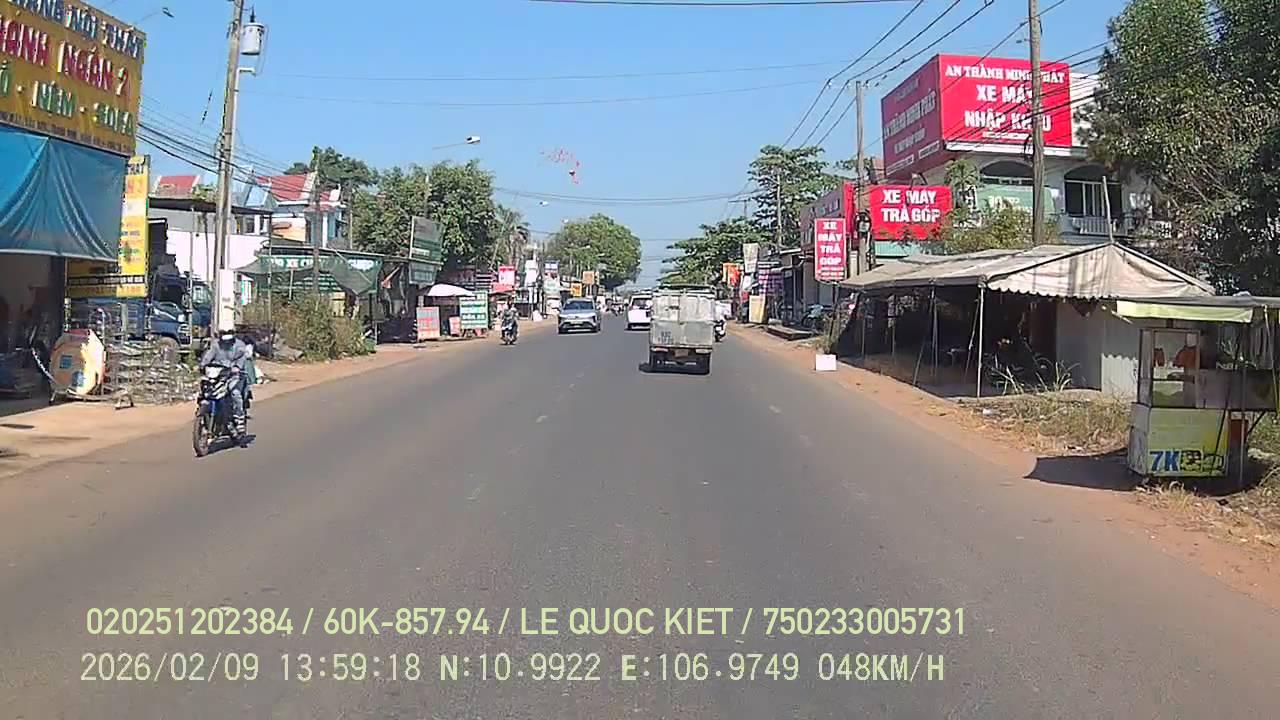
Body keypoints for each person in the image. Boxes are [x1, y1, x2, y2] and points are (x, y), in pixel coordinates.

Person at [200, 323, 250, 441]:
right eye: (224, 333)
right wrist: (202, 365)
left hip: (234, 376)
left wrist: (237, 367)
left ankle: (239, 420)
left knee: (235, 393)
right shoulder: (216, 345)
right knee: (205, 391)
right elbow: (208, 356)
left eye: (229, 333)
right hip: (218, 375)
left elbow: (242, 358)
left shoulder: (239, 345)